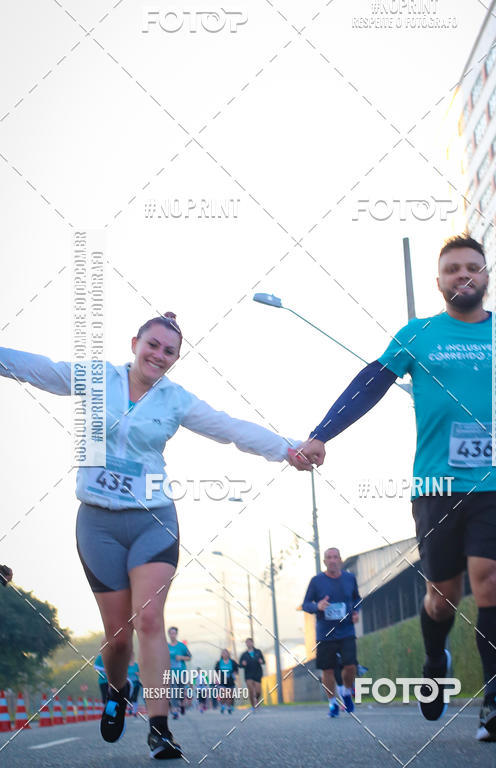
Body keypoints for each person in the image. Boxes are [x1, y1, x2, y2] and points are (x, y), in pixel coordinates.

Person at [297, 234, 496, 741]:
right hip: (435, 487)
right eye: (453, 269)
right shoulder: (418, 335)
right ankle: (436, 659)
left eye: (472, 268)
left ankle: (495, 701)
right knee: (443, 596)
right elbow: (370, 384)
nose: (464, 275)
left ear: (485, 277)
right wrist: (322, 433)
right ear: (439, 283)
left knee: (491, 582)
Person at [0, 312, 310, 760]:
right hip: (99, 523)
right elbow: (40, 369)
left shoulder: (175, 400)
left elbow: (230, 428)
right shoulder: (95, 378)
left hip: (153, 519)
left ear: (175, 359)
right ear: (135, 343)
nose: (159, 356)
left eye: (169, 352)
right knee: (118, 636)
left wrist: (289, 449)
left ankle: (160, 728)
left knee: (148, 621)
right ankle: (119, 689)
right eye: (153, 345)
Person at [302, 547, 361, 717]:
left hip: (347, 630)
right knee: (327, 670)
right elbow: (306, 604)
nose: (333, 560)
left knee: (350, 666)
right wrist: (317, 606)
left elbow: (357, 598)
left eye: (335, 557)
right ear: (325, 562)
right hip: (325, 633)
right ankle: (332, 703)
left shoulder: (350, 578)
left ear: (340, 560)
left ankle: (347, 693)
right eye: (329, 557)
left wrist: (356, 612)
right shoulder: (316, 581)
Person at [166, 627, 191, 720]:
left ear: (176, 634)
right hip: (171, 673)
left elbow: (189, 657)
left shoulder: (182, 646)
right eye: (171, 633)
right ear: (169, 634)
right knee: (173, 691)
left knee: (180, 691)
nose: (172, 635)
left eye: (174, 633)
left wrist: (181, 657)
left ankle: (182, 704)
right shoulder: (166, 646)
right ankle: (175, 711)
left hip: (181, 672)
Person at [239, 637, 266, 709]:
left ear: (252, 643)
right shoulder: (244, 654)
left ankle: (256, 700)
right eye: (247, 642)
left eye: (249, 642)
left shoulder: (258, 652)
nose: (248, 644)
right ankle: (253, 705)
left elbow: (263, 661)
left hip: (257, 673)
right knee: (251, 690)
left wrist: (261, 661)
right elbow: (240, 665)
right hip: (248, 675)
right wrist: (242, 664)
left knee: (258, 692)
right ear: (246, 644)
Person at [214, 649, 239, 714]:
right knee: (224, 695)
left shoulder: (232, 662)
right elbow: (216, 672)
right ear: (221, 655)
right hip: (222, 681)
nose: (225, 654)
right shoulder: (219, 662)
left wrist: (235, 674)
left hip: (230, 680)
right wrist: (216, 679)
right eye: (223, 653)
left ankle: (229, 707)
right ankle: (222, 705)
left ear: (228, 654)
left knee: (230, 696)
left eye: (226, 653)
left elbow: (236, 670)